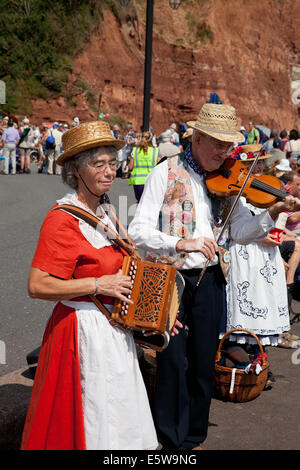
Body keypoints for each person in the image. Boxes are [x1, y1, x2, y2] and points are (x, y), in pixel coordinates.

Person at [128, 103, 300, 450]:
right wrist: (181, 241)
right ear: (199, 139)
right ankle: (169, 441)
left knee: (205, 363)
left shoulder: (228, 179)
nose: (226, 153)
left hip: (210, 279)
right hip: (170, 279)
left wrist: (273, 212)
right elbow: (137, 229)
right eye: (219, 145)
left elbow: (241, 231)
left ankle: (194, 438)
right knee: (173, 362)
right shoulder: (166, 172)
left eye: (228, 146)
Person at [20, 120, 158, 450]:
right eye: (99, 164)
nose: (109, 171)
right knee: (93, 416)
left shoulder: (107, 210)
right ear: (76, 171)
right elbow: (37, 285)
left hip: (113, 329)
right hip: (81, 332)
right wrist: (98, 284)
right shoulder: (62, 218)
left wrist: (157, 309)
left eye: (112, 163)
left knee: (117, 412)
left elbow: (126, 268)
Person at [222, 146, 290, 356]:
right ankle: (242, 359)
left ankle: (260, 359)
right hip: (246, 253)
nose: (259, 167)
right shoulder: (237, 193)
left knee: (266, 300)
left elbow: (276, 222)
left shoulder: (268, 189)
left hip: (267, 256)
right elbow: (233, 228)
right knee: (249, 299)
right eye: (253, 164)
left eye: (260, 163)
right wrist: (261, 238)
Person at [128, 131, 161, 202]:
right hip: (151, 181)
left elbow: (130, 167)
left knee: (140, 202)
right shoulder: (155, 151)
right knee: (149, 203)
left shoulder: (135, 151)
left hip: (138, 182)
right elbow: (160, 166)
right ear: (152, 140)